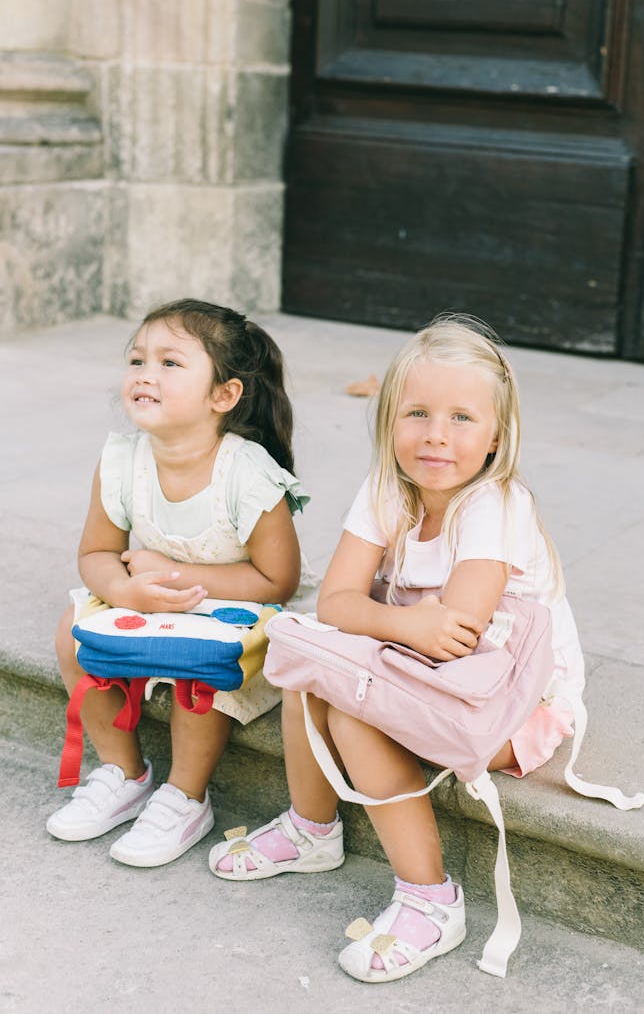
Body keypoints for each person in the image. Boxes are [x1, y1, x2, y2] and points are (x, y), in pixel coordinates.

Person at [208, 313, 585, 982]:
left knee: (353, 706)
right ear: (388, 423)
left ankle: (431, 900)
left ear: (497, 436)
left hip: (507, 697)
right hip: (416, 660)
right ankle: (311, 829)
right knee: (310, 670)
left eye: (462, 418)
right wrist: (404, 625)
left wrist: (385, 630)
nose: (436, 434)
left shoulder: (494, 505)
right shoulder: (387, 488)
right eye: (416, 412)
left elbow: (457, 638)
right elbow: (338, 603)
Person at [46, 298, 308, 867]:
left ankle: (186, 796)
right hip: (145, 600)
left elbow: (276, 579)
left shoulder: (248, 472)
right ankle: (124, 771)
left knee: (200, 661)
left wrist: (173, 576)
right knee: (73, 629)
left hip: (233, 614)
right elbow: (95, 553)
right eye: (137, 358)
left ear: (224, 395)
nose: (145, 373)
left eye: (170, 362)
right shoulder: (121, 460)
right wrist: (121, 592)